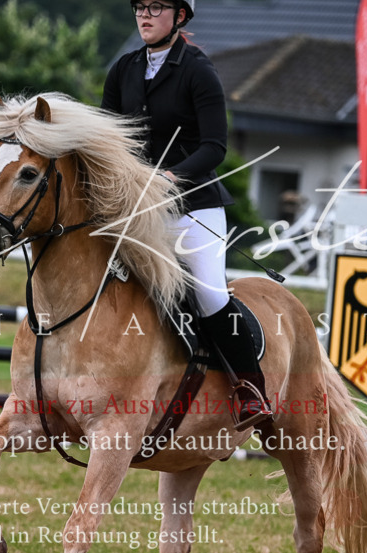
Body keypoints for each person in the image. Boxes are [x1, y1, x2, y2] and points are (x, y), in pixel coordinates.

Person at [102, 0, 272, 429]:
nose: (144, 15)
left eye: (156, 7)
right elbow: (107, 140)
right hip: (135, 210)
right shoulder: (123, 70)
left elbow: (215, 146)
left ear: (180, 16)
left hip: (192, 207)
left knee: (210, 294)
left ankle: (250, 387)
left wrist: (170, 179)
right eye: (139, 7)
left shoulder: (198, 70)